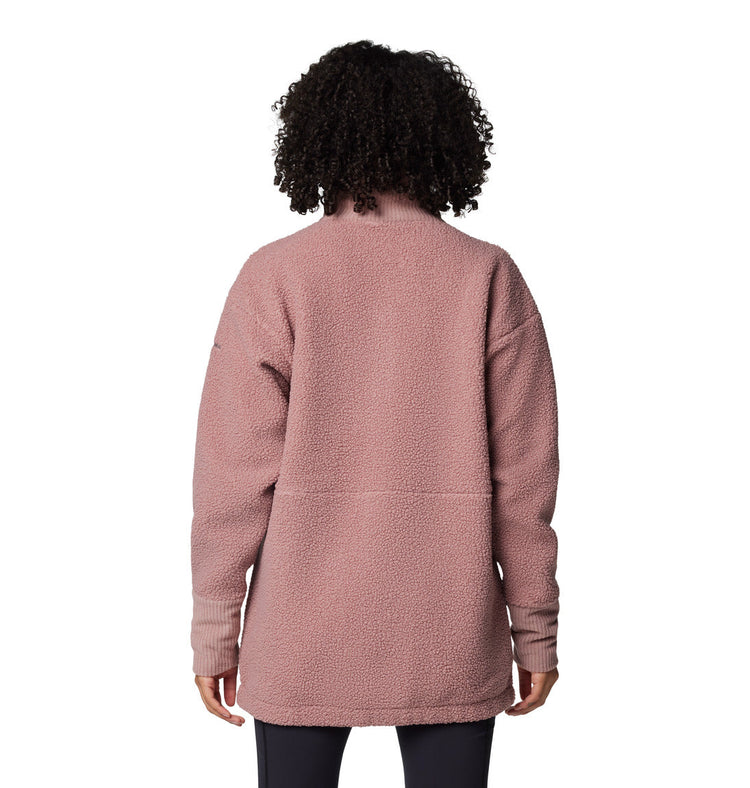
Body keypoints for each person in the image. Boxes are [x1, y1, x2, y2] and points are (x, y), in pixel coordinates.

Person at [190, 39, 561, 788]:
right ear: (444, 140)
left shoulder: (275, 275)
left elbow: (231, 479)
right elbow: (526, 482)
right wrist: (536, 630)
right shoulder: (487, 275)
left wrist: (214, 629)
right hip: (450, 627)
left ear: (315, 138)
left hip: (299, 630)